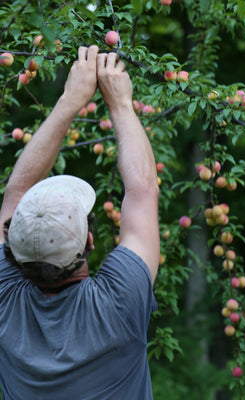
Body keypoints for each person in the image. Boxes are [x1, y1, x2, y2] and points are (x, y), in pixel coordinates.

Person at [0, 46, 160, 399]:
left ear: (13, 248)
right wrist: (117, 102)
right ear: (89, 241)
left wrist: (68, 103)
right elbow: (143, 188)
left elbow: (15, 192)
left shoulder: (4, 299)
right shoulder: (119, 304)